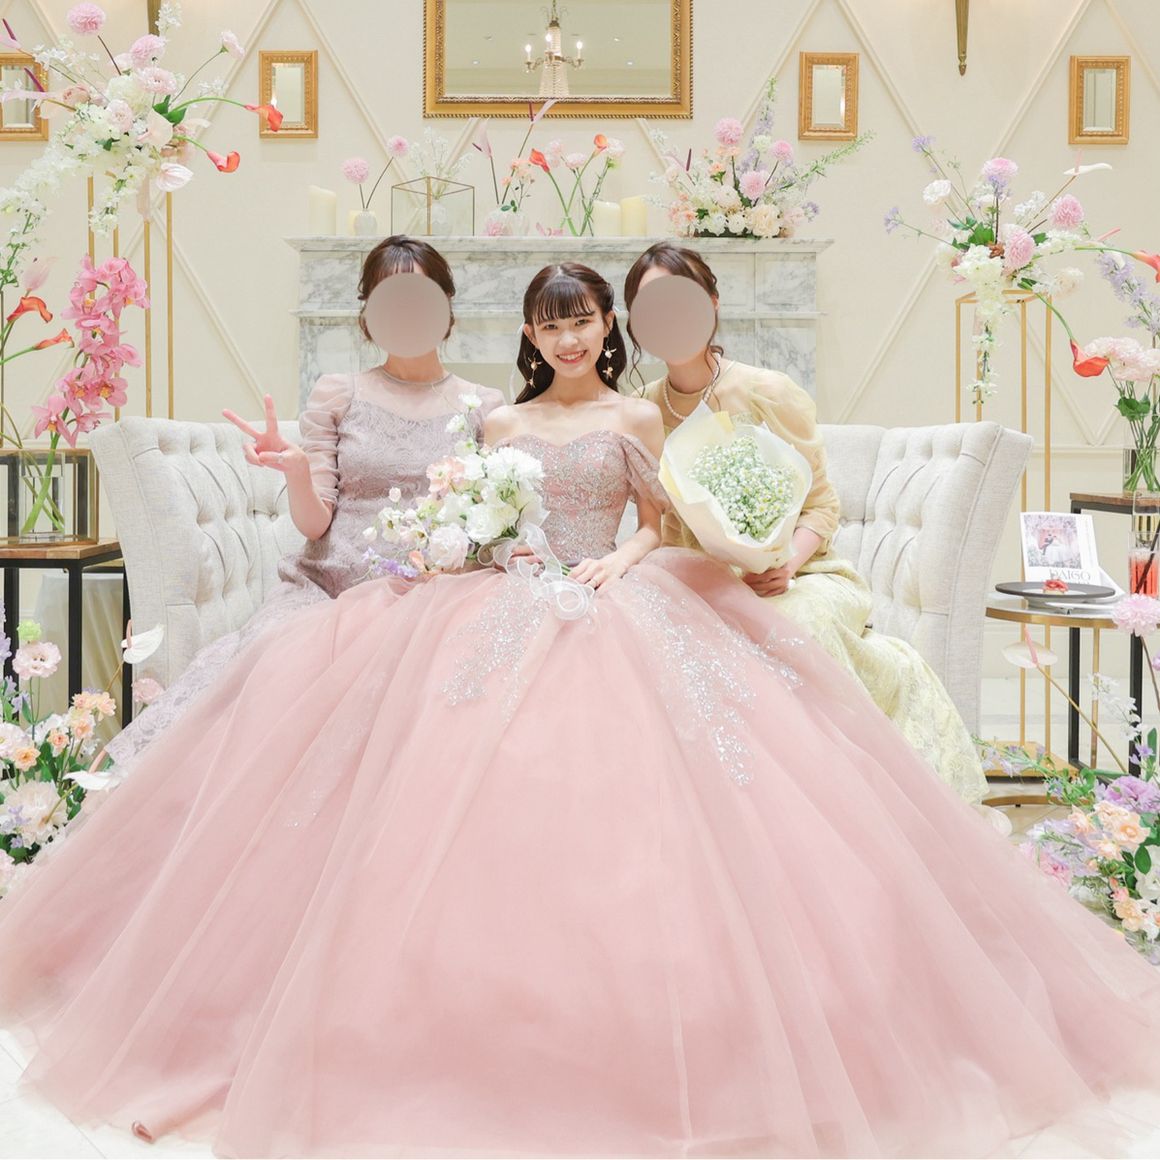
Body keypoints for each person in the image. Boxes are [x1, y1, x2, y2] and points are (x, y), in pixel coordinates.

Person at [2, 262, 1160, 1159]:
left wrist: (624, 560)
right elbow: (482, 517)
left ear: (608, 329)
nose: (568, 337)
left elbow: (658, 517)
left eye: (584, 320)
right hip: (503, 592)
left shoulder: (637, 418)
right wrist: (491, 552)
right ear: (525, 333)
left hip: (617, 590)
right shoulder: (498, 426)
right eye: (549, 322)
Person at [105, 235, 502, 766]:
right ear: (369, 315)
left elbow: (489, 521)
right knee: (273, 680)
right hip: (333, 593)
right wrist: (295, 470)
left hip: (438, 596)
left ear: (445, 307)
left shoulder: (484, 406)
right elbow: (316, 525)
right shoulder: (340, 393)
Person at [625, 240, 988, 804]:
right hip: (699, 583)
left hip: (800, 574)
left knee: (796, 624)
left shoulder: (765, 391)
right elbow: (659, 524)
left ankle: (830, 798)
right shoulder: (641, 408)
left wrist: (783, 565)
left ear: (712, 303)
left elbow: (820, 504)